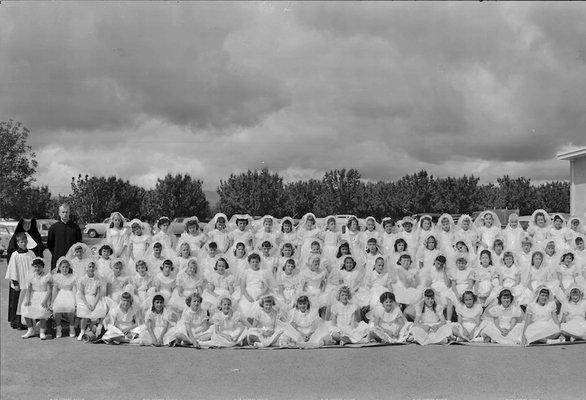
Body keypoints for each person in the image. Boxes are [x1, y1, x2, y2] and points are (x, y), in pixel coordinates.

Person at [5, 232, 35, 330]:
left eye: (25, 241)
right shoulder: (15, 255)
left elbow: (35, 267)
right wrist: (15, 283)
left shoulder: (31, 253)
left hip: (29, 284)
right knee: (17, 303)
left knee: (28, 302)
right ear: (18, 243)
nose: (24, 243)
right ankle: (17, 322)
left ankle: (28, 322)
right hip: (19, 283)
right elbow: (12, 269)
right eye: (21, 242)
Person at [20, 258, 53, 339]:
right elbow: (29, 289)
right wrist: (27, 299)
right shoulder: (31, 276)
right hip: (33, 295)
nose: (37, 268)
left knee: (42, 311)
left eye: (39, 267)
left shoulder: (47, 276)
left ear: (42, 267)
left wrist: (45, 301)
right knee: (25, 308)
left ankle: (42, 332)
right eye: (35, 267)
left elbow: (49, 291)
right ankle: (30, 330)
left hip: (43, 295)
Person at [47, 204, 82, 271]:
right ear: (59, 213)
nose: (65, 214)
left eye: (66, 212)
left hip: (72, 259)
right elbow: (50, 244)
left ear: (69, 213)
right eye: (63, 212)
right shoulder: (53, 227)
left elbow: (79, 243)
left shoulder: (75, 227)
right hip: (57, 258)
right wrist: (56, 252)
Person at [51, 257, 77, 338]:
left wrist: (76, 301)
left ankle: (71, 327)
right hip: (60, 295)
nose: (65, 269)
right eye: (63, 267)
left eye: (66, 267)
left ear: (69, 267)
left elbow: (74, 290)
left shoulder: (73, 276)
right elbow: (55, 290)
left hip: (70, 295)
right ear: (59, 268)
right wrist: (52, 302)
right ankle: (59, 328)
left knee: (70, 310)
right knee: (56, 310)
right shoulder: (56, 277)